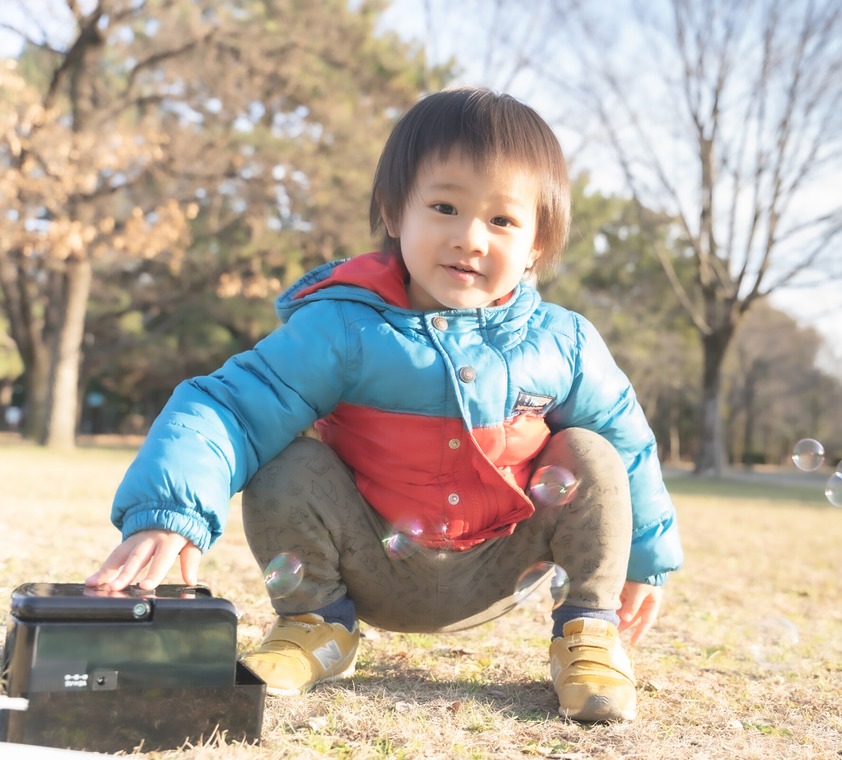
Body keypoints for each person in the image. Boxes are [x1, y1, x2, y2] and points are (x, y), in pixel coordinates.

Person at [86, 86, 682, 723]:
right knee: (285, 458)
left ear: (538, 244)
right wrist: (168, 511)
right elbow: (230, 406)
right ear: (396, 213)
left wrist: (646, 561)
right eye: (445, 207)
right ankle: (316, 622)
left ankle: (588, 633)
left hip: (502, 564)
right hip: (369, 561)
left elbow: (630, 443)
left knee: (592, 450)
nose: (470, 238)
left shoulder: (562, 342)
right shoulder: (344, 327)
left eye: (502, 220)